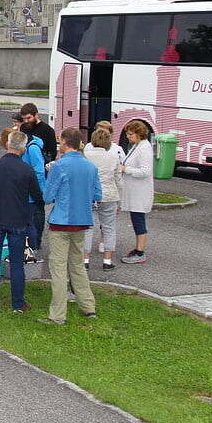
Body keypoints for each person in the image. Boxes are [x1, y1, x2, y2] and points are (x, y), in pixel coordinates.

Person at [38, 127, 100, 325]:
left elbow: (48, 196)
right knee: (77, 265)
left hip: (61, 221)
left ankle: (57, 314)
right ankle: (88, 306)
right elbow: (97, 194)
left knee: (58, 268)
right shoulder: (90, 167)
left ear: (65, 142)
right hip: (82, 220)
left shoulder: (59, 166)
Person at [0, 131, 42, 313]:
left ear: (7, 145)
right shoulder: (27, 169)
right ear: (23, 148)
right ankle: (18, 303)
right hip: (18, 219)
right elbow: (37, 195)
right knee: (17, 262)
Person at [83, 127, 122, 270]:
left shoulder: (85, 155)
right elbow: (119, 180)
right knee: (109, 228)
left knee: (87, 227)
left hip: (88, 195)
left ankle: (85, 260)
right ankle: (107, 261)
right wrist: (120, 201)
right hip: (109, 195)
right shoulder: (113, 157)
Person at [120, 121, 153, 264]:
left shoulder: (144, 148)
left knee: (139, 220)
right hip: (134, 191)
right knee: (136, 219)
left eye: (130, 134)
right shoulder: (137, 146)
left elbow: (145, 171)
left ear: (139, 134)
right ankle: (138, 249)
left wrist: (126, 169)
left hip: (140, 192)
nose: (128, 137)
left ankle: (140, 252)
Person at [21, 130, 48, 257]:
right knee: (30, 222)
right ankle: (33, 246)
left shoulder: (32, 148)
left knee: (30, 222)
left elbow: (39, 171)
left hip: (33, 190)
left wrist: (38, 190)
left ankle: (33, 248)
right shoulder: (30, 146)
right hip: (30, 189)